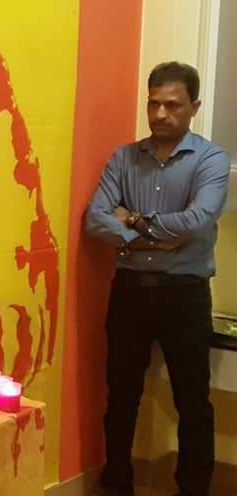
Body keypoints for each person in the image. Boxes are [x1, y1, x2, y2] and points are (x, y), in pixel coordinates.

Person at [85, 61, 229, 496]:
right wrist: (150, 238)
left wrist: (132, 222)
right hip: (130, 293)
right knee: (121, 396)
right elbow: (95, 218)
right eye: (154, 104)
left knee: (192, 401)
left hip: (185, 295)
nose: (161, 114)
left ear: (194, 107)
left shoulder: (211, 159)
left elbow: (198, 221)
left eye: (173, 105)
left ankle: (193, 488)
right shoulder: (123, 158)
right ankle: (116, 483)